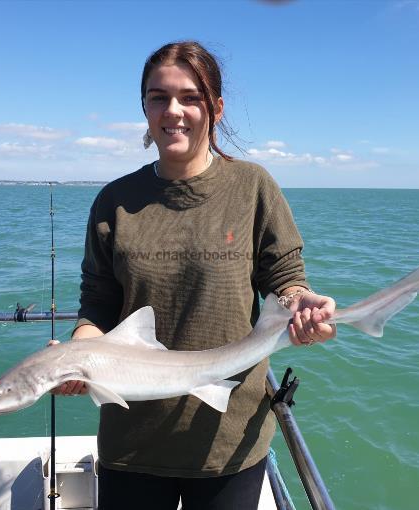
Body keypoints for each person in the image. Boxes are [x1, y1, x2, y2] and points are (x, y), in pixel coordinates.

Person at [52, 41, 336, 509]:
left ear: (216, 108)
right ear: (144, 107)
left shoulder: (253, 187)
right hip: (132, 442)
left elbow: (285, 276)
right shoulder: (113, 201)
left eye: (190, 97)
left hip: (228, 441)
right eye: (158, 97)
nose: (174, 111)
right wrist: (77, 353)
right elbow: (97, 304)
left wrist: (301, 303)